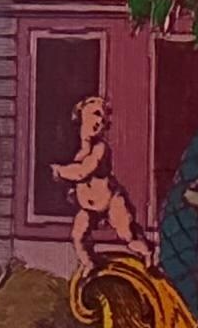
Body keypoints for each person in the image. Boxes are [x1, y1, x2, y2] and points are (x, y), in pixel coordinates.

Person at [54, 92, 151, 278]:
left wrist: (60, 171)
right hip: (89, 208)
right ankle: (89, 264)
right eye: (96, 114)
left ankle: (147, 253)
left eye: (103, 120)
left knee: (127, 235)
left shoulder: (100, 148)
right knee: (78, 236)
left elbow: (84, 171)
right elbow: (79, 181)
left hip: (111, 201)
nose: (99, 122)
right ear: (81, 115)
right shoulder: (78, 152)